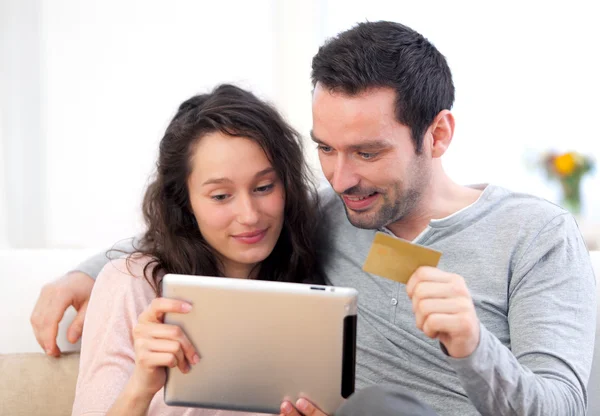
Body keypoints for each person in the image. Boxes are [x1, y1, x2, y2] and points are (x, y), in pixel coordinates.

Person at [32, 22, 596, 416]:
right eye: (326, 148)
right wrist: (82, 274)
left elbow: (562, 408)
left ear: (438, 133)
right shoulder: (334, 216)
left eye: (368, 153)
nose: (341, 177)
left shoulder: (535, 236)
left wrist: (475, 345)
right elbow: (212, 221)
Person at [69, 84, 326, 416]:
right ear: (185, 202)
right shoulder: (132, 285)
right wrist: (140, 388)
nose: (249, 215)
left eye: (264, 187)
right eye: (221, 196)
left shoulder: (311, 290)